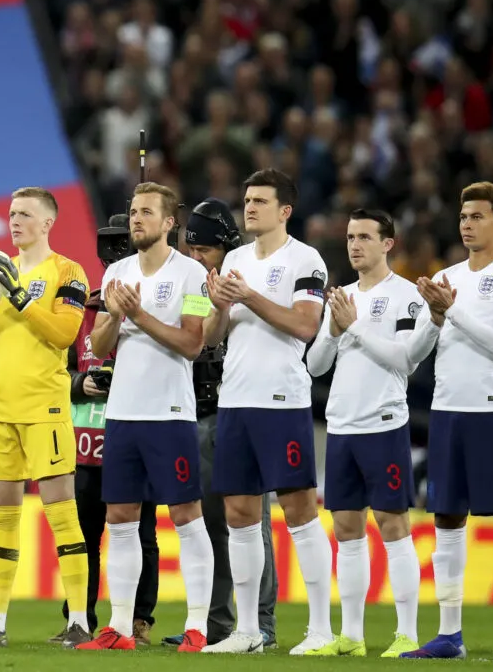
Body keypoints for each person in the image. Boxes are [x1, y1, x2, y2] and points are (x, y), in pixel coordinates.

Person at [403, 181, 493, 660]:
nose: (467, 223)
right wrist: (435, 318)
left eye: (477, 216)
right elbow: (417, 352)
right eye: (463, 215)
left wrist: (451, 310)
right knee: (445, 516)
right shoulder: (446, 276)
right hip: (447, 411)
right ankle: (449, 635)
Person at [200, 169, 332, 656]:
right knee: (239, 513)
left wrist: (247, 296)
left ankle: (320, 630)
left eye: (259, 200)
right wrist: (218, 305)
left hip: (281, 401)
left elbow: (305, 324)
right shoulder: (234, 259)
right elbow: (213, 337)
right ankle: (249, 631)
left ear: (285, 211)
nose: (249, 207)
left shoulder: (306, 259)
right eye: (246, 199)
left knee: (298, 511)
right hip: (235, 399)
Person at [78, 182, 212, 651]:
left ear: (169, 221)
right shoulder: (116, 270)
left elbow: (194, 343)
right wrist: (115, 316)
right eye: (133, 212)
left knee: (185, 514)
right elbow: (97, 345)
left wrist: (139, 315)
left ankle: (197, 626)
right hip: (123, 414)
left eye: (147, 212)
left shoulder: (192, 274)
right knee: (120, 516)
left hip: (169, 413)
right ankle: (118, 628)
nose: (136, 219)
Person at [0, 186, 93, 648]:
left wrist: (17, 296)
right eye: (12, 214)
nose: (15, 221)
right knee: (1, 517)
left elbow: (64, 333)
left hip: (45, 407)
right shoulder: (1, 271)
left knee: (61, 513)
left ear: (48, 223)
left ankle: (79, 620)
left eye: (25, 215)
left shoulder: (68, 272)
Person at [304, 209, 438, 657]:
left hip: (384, 425)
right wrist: (334, 329)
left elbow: (404, 360)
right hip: (342, 425)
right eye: (349, 237)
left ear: (388, 244)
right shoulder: (340, 298)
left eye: (365, 237)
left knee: (393, 525)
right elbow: (316, 365)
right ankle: (353, 636)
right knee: (346, 529)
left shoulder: (407, 297)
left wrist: (355, 327)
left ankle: (406, 634)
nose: (355, 245)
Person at [166, 198, 279, 649]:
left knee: (250, 520)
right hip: (191, 412)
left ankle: (263, 623)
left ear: (225, 249)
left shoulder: (244, 275)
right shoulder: (192, 284)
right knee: (210, 522)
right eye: (190, 250)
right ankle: (214, 623)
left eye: (205, 251)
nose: (197, 259)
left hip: (239, 409)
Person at [51, 213, 160, 647]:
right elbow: (58, 371)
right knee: (84, 537)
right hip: (86, 443)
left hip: (135, 434)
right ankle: (79, 618)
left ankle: (138, 620)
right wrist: (82, 383)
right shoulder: (83, 313)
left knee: (143, 535)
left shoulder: (149, 306)